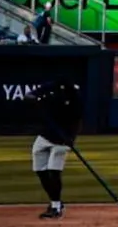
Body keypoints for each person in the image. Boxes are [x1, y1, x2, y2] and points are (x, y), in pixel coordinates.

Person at [32, 74, 81, 219]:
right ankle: (56, 201)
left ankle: (55, 207)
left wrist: (70, 138)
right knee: (40, 170)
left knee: (54, 171)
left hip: (63, 140)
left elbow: (77, 120)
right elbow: (33, 94)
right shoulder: (51, 87)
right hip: (45, 135)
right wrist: (31, 97)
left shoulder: (75, 97)